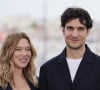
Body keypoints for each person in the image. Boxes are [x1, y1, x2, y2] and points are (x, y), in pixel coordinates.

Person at [39, 7, 100, 90]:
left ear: (88, 31)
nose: (75, 34)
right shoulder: (47, 70)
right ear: (63, 30)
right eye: (70, 28)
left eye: (80, 29)